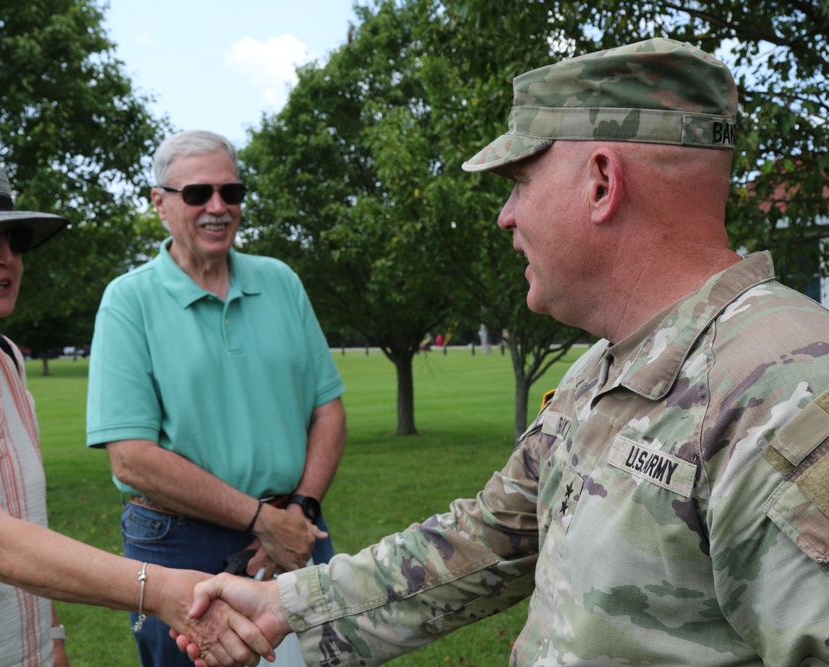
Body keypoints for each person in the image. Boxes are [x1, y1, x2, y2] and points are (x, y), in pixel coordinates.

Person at [181, 38, 829, 666]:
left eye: (520, 180)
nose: (505, 216)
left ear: (602, 182)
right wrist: (286, 605)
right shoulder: (600, 372)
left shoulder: (784, 392)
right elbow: (487, 541)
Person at [0, 153, 272, 667]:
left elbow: (22, 523)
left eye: (13, 240)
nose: (7, 257)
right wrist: (163, 590)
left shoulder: (7, 361)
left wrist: (50, 638)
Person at [85, 130, 347, 666]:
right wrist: (261, 520)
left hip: (295, 528)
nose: (218, 206)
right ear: (159, 203)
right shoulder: (128, 300)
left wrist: (296, 512)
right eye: (198, 193)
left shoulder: (280, 281)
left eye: (231, 192)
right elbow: (131, 456)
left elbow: (328, 409)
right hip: (180, 544)